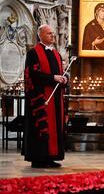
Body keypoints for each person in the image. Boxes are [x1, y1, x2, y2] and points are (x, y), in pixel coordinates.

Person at [23, 24, 68, 168]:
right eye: (49, 33)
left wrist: (64, 79)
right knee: (41, 128)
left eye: (53, 33)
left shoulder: (56, 53)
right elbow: (33, 74)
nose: (53, 36)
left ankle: (51, 157)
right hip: (41, 98)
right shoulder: (33, 53)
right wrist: (53, 78)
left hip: (55, 98)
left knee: (55, 127)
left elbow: (61, 72)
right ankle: (38, 158)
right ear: (40, 35)